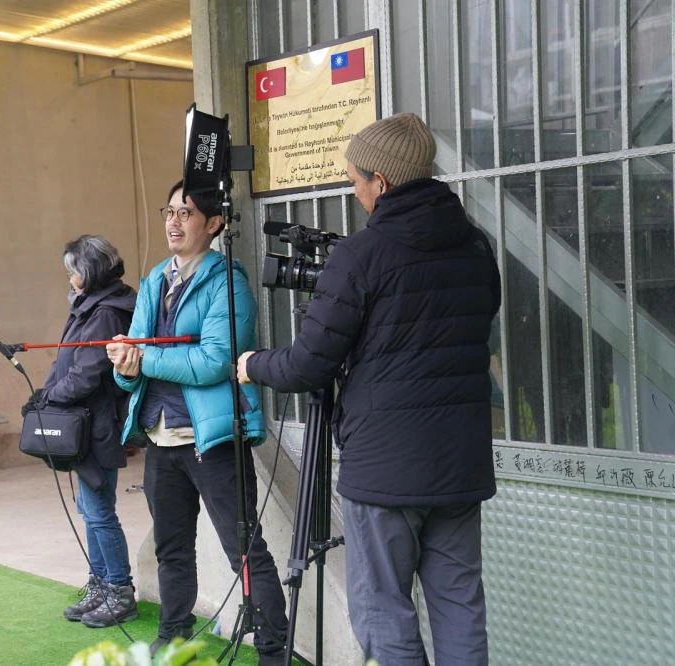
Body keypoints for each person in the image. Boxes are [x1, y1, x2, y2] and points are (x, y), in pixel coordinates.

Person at [238, 112, 501, 666]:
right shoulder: (476, 246)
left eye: (355, 179)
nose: (355, 192)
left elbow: (309, 365)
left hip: (385, 471)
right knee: (459, 606)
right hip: (460, 464)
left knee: (382, 610)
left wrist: (252, 365)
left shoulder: (362, 255)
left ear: (380, 182)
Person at [106, 181, 289, 664]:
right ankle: (173, 637)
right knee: (171, 550)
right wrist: (126, 366)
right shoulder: (153, 281)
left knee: (245, 552)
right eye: (169, 210)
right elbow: (135, 373)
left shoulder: (230, 284)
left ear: (214, 224)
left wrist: (142, 359)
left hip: (214, 441)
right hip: (159, 438)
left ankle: (273, 649)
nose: (172, 221)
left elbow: (214, 363)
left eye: (186, 213)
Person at [33, 234, 138, 628]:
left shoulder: (106, 312)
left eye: (73, 271)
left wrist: (51, 398)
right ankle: (99, 584)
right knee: (89, 510)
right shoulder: (88, 307)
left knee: (99, 511)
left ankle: (119, 590)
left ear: (89, 271)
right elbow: (66, 362)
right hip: (82, 423)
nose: (69, 278)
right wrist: (43, 393)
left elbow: (88, 373)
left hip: (97, 425)